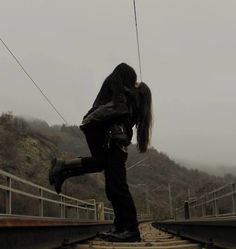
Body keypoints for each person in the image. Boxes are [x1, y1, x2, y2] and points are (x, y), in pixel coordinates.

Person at [49, 63, 152, 242]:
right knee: (112, 185)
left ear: (138, 90)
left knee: (117, 187)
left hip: (115, 143)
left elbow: (118, 90)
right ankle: (122, 227)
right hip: (116, 143)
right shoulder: (134, 102)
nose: (133, 84)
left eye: (136, 83)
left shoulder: (128, 99)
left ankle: (129, 230)